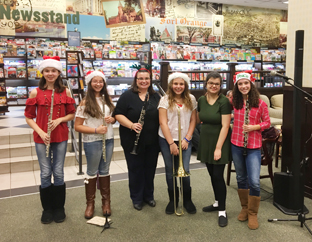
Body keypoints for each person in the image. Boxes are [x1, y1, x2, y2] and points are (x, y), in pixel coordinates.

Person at [24, 56, 76, 224]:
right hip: (42, 137)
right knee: (45, 172)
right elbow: (29, 117)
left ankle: (59, 208)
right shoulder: (35, 92)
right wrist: (41, 132)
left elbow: (72, 114)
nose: (50, 73)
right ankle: (47, 209)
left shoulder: (65, 92)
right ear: (42, 72)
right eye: (47, 71)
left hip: (60, 135)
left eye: (53, 71)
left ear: (58, 72)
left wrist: (60, 120)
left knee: (59, 171)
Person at [114, 68, 160, 211]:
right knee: (135, 169)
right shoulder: (127, 96)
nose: (144, 81)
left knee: (150, 169)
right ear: (136, 80)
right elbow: (118, 114)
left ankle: (148, 196)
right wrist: (132, 125)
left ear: (150, 80)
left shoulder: (156, 96)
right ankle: (137, 197)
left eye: (146, 78)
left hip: (152, 141)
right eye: (141, 79)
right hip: (131, 139)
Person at [231, 70, 270, 230]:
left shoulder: (260, 103)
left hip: (253, 145)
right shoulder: (235, 101)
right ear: (237, 86)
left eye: (246, 83)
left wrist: (255, 126)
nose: (243, 86)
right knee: (241, 178)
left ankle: (253, 213)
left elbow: (267, 122)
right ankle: (245, 208)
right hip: (237, 144)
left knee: (254, 181)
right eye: (240, 84)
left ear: (251, 84)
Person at [74, 71, 115, 219]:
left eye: (101, 81)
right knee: (92, 171)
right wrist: (96, 130)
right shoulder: (85, 102)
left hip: (109, 139)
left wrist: (112, 119)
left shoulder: (107, 99)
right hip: (92, 141)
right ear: (90, 84)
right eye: (95, 81)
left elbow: (113, 117)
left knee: (105, 169)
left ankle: (106, 203)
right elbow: (77, 126)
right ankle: (90, 204)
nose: (98, 84)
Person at [158, 72, 197, 215]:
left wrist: (187, 138)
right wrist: (171, 143)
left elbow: (193, 120)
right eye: (175, 84)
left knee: (185, 170)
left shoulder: (191, 99)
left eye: (181, 84)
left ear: (185, 85)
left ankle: (187, 200)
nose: (178, 86)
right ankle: (173, 199)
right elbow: (162, 122)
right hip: (167, 139)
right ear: (171, 85)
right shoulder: (164, 99)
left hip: (185, 140)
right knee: (170, 170)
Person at [197, 71, 231, 227]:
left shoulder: (224, 101)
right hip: (206, 140)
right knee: (211, 174)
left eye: (217, 84)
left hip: (220, 141)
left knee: (218, 175)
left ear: (220, 86)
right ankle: (217, 202)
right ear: (206, 83)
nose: (213, 86)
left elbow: (225, 126)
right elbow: (198, 119)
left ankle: (222, 211)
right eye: (211, 83)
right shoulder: (201, 100)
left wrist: (218, 148)